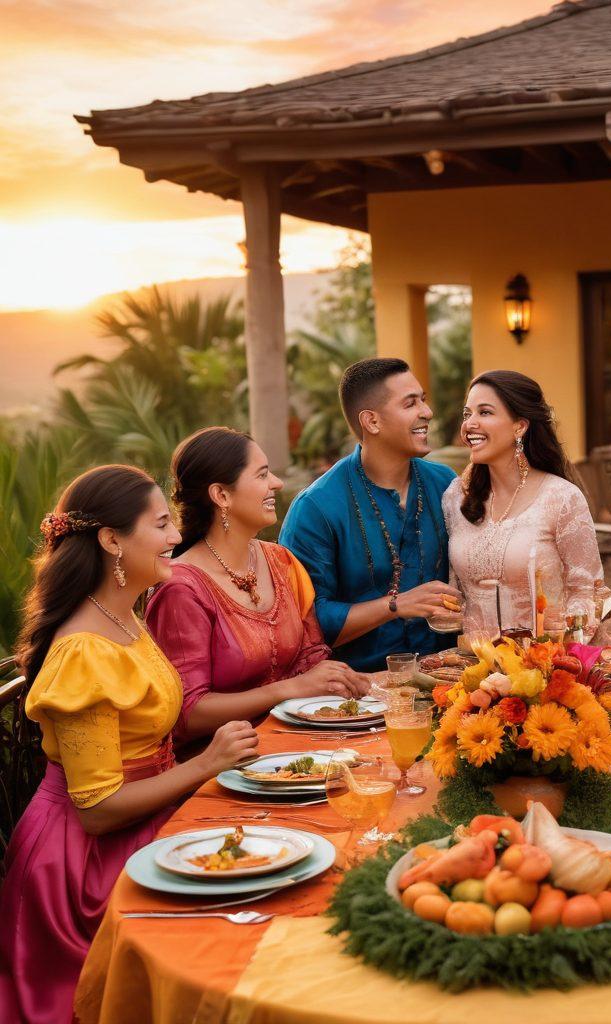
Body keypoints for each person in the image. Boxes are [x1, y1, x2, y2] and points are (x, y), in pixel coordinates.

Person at [0, 465, 258, 1024]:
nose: (175, 537)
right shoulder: (84, 651)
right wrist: (210, 763)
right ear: (112, 540)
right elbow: (95, 809)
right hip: (84, 866)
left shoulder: (124, 617)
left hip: (145, 824)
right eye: (162, 524)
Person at [146, 428, 367, 749]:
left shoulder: (281, 560)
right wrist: (287, 689)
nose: (276, 483)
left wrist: (352, 680)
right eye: (262, 475)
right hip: (220, 768)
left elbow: (310, 655)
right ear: (221, 495)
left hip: (299, 744)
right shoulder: (181, 587)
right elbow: (186, 715)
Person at [279, 358, 462, 671]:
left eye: (423, 400)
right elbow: (305, 623)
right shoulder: (316, 508)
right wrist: (395, 606)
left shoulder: (445, 483)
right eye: (410, 403)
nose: (426, 412)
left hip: (449, 684)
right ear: (372, 421)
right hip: (356, 698)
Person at [443, 370, 603, 636]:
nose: (469, 424)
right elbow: (456, 593)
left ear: (520, 426)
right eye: (467, 414)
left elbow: (588, 592)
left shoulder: (561, 497)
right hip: (472, 667)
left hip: (544, 664)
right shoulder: (455, 497)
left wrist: (568, 621)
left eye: (484, 412)